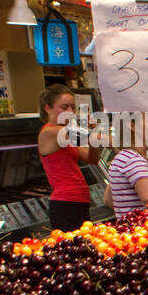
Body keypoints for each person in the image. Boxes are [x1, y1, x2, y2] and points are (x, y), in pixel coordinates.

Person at [37, 85, 99, 232]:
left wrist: (94, 134)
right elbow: (90, 136)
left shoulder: (66, 135)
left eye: (73, 107)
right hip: (65, 204)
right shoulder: (50, 132)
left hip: (79, 202)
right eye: (64, 107)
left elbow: (92, 159)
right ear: (48, 108)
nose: (70, 111)